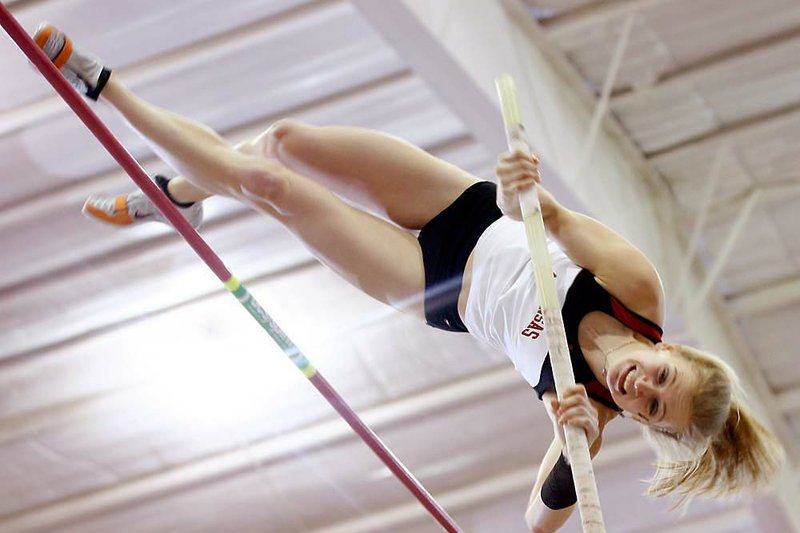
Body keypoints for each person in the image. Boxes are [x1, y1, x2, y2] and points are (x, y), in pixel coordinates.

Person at [34, 24, 784, 532]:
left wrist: (575, 450)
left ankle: (105, 86)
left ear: (647, 425)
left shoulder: (588, 416)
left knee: (269, 185)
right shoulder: (638, 289)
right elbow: (550, 215)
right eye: (658, 378)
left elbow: (537, 519)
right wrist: (528, 187)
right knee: (282, 143)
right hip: (465, 209)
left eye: (651, 411)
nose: (638, 390)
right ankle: (185, 195)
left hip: (433, 286)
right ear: (672, 352)